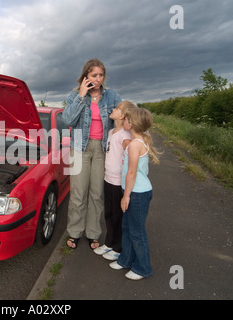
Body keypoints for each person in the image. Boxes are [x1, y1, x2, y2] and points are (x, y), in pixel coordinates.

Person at [62, 59, 122, 250]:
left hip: (102, 150)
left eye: (101, 75)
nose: (98, 79)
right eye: (94, 75)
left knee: (96, 194)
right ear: (86, 76)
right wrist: (81, 95)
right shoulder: (75, 95)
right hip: (79, 148)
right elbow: (67, 120)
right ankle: (74, 232)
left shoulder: (112, 96)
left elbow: (123, 117)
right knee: (79, 194)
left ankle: (93, 233)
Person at [109, 107, 161, 280]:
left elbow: (131, 173)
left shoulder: (135, 145)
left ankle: (142, 268)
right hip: (133, 191)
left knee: (137, 232)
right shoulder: (136, 141)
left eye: (126, 119)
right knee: (127, 227)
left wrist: (126, 196)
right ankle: (126, 260)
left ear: (130, 124)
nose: (124, 121)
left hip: (137, 194)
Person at [94, 101, 136, 259]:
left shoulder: (125, 136)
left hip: (119, 182)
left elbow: (133, 155)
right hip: (108, 179)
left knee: (118, 216)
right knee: (109, 213)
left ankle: (118, 248)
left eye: (117, 108)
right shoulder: (112, 132)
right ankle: (109, 243)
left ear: (123, 115)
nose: (113, 109)